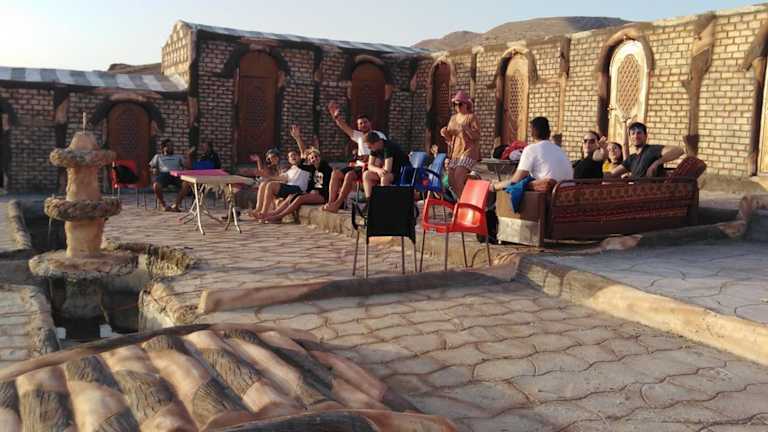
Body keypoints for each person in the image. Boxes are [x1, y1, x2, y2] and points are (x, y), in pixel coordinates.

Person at [322, 101, 386, 212]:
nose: (363, 125)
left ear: (370, 123)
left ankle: (337, 204)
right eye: (360, 123)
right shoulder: (359, 136)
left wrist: (365, 157)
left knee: (349, 175)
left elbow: (383, 153)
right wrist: (336, 117)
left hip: (370, 167)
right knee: (335, 173)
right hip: (358, 166)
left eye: (365, 122)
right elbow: (344, 127)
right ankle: (331, 203)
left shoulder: (379, 135)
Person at [491, 117, 573, 191]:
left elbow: (515, 180)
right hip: (567, 194)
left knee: (514, 190)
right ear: (549, 133)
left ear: (532, 133)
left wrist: (494, 186)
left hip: (548, 196)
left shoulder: (531, 149)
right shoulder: (559, 150)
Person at [606, 122, 684, 178]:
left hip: (650, 192)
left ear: (646, 136)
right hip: (635, 191)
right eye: (633, 133)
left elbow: (679, 150)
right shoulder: (631, 159)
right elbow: (612, 174)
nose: (636, 136)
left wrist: (656, 163)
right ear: (630, 138)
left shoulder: (652, 150)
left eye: (639, 133)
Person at [441, 90, 480, 199]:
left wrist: (466, 128)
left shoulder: (471, 117)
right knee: (451, 181)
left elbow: (477, 136)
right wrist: (445, 133)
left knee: (458, 178)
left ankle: (466, 204)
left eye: (459, 104)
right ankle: (462, 202)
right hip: (456, 152)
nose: (457, 106)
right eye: (455, 104)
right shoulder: (453, 118)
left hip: (469, 151)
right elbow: (450, 139)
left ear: (466, 104)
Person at [250, 150, 310, 219]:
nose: (293, 157)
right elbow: (280, 178)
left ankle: (264, 213)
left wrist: (298, 140)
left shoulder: (304, 165)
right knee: (264, 184)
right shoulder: (290, 170)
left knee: (271, 185)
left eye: (294, 155)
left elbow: (302, 150)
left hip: (298, 189)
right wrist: (267, 177)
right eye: (291, 156)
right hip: (289, 189)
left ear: (299, 157)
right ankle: (258, 209)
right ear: (289, 160)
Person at [361, 132, 409, 199]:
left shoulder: (388, 147)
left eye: (369, 147)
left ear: (376, 143)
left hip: (401, 173)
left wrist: (379, 170)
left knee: (385, 177)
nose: (369, 149)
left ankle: (383, 201)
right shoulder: (375, 148)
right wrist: (378, 170)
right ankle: (369, 201)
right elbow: (370, 165)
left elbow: (387, 170)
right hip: (390, 172)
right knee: (366, 175)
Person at [149, 139, 186, 211]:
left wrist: (188, 156)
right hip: (164, 175)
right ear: (163, 148)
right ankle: (163, 205)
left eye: (172, 145)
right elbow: (150, 167)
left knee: (187, 184)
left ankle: (176, 205)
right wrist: (153, 170)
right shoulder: (158, 156)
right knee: (156, 185)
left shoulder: (178, 156)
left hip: (176, 175)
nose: (171, 147)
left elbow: (187, 166)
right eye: (168, 146)